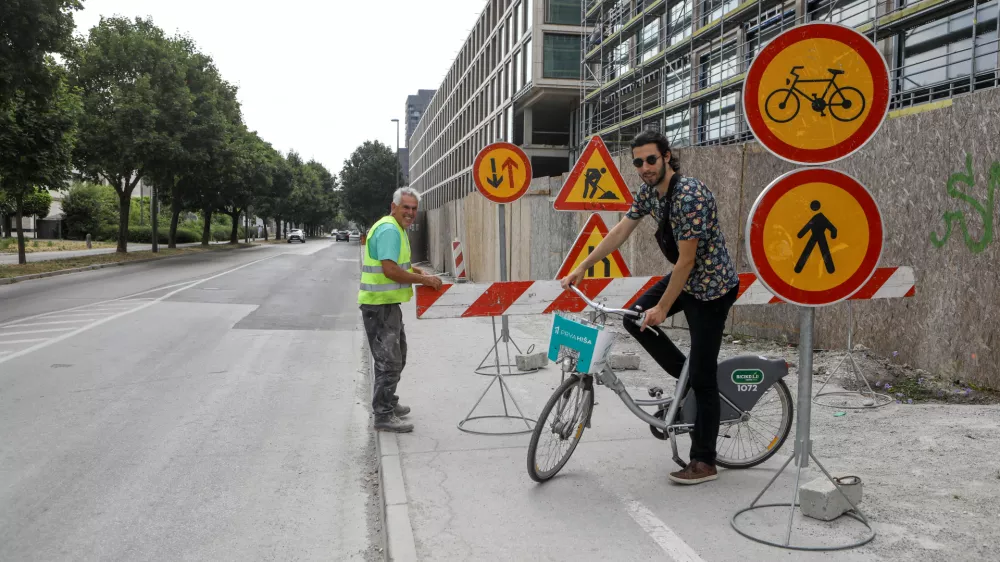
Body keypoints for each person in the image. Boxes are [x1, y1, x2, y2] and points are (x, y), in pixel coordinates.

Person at [559, 130, 740, 485]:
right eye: (638, 162)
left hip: (711, 290)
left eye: (651, 159)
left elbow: (687, 261)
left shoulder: (688, 196)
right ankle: (684, 376)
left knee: (703, 376)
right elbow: (619, 232)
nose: (645, 167)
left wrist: (663, 308)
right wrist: (582, 266)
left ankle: (704, 460)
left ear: (667, 157)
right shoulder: (650, 192)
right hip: (685, 280)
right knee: (634, 317)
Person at [358, 187, 442, 433]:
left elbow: (398, 264)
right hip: (379, 305)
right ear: (393, 206)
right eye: (406, 207)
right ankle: (382, 415)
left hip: (387, 305)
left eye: (414, 208)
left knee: (397, 356)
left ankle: (388, 401)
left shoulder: (396, 229)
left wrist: (415, 271)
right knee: (389, 361)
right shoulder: (389, 230)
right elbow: (390, 271)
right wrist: (425, 281)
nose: (410, 212)